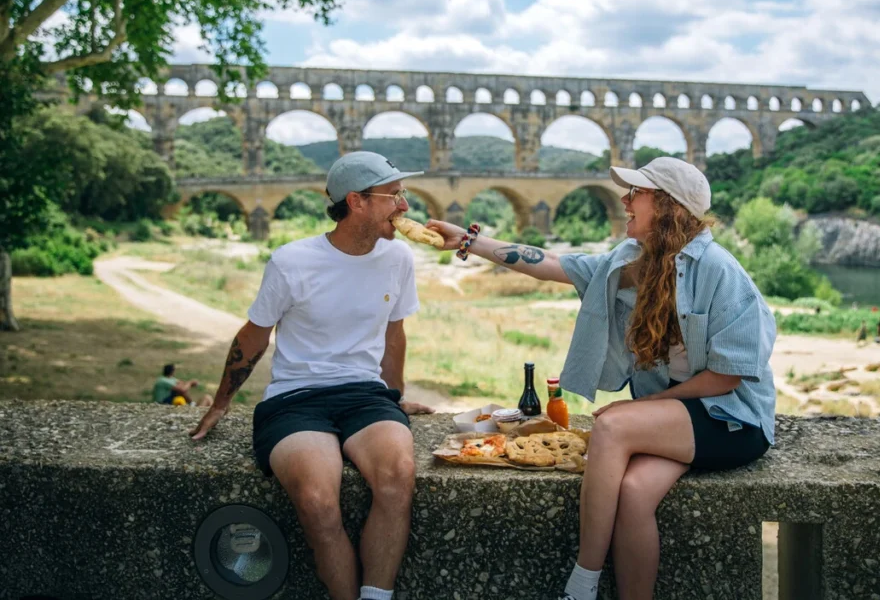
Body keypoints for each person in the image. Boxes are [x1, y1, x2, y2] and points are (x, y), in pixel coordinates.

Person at [428, 157, 776, 600]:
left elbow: (725, 379)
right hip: (676, 420)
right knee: (632, 495)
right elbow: (551, 263)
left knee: (611, 425)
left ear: (668, 206)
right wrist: (469, 242)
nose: (625, 201)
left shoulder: (720, 271)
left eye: (638, 193)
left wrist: (638, 409)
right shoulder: (628, 262)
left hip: (730, 420)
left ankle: (582, 584)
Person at [190, 152, 434, 600]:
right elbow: (253, 337)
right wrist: (222, 401)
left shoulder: (398, 258)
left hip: (365, 395)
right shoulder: (291, 262)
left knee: (399, 474)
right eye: (394, 196)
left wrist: (394, 395)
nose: (404, 207)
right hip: (295, 399)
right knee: (319, 503)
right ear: (356, 201)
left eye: (403, 195)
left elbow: (394, 331)